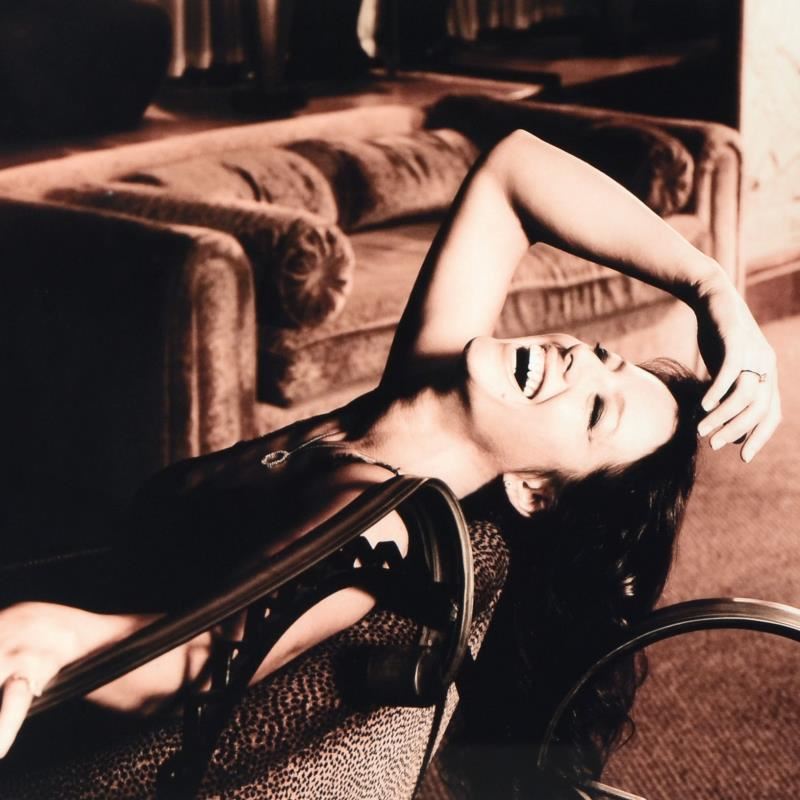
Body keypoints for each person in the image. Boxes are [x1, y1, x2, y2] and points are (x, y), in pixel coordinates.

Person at [0, 130, 781, 777]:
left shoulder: (378, 527)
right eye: (605, 359)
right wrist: (712, 289)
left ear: (534, 491)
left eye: (595, 411)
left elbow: (207, 655)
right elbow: (514, 168)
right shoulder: (425, 385)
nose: (580, 361)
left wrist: (54, 639)